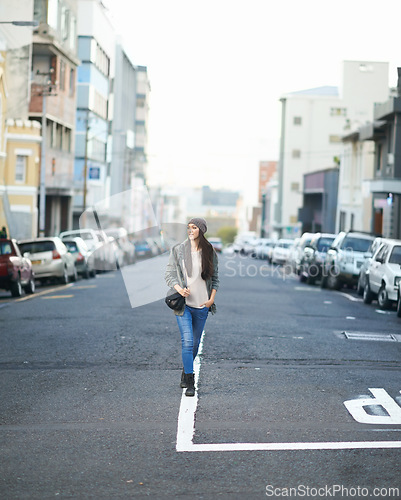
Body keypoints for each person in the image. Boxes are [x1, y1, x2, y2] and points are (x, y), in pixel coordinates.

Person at [165, 217, 219, 397]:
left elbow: (215, 279)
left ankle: (185, 370)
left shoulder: (210, 251)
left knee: (195, 344)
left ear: (201, 231)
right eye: (188, 227)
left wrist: (211, 300)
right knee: (187, 342)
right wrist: (179, 289)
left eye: (194, 228)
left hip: (202, 305)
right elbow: (170, 273)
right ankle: (190, 382)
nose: (190, 230)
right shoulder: (178, 250)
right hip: (184, 305)